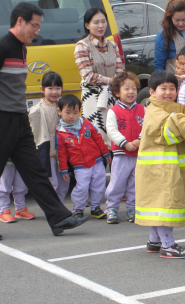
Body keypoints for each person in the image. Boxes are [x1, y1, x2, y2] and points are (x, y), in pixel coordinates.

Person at [0, 2, 89, 238]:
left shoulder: (22, 49)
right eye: (34, 26)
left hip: (19, 120)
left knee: (36, 171)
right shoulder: (3, 47)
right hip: (3, 120)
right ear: (20, 21)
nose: (37, 31)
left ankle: (59, 218)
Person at [134, 71, 185, 258]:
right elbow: (174, 128)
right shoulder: (157, 112)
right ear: (152, 91)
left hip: (156, 169)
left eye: (172, 88)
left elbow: (179, 128)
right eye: (163, 88)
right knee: (164, 205)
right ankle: (167, 245)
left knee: (156, 204)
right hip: (160, 170)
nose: (168, 92)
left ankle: (155, 240)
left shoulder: (164, 109)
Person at [74, 7, 124, 147]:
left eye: (103, 21)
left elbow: (120, 72)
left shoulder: (113, 45)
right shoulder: (82, 46)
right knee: (95, 139)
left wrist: (116, 82)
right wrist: (112, 81)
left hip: (113, 95)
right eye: (96, 22)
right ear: (87, 25)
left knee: (116, 136)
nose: (101, 26)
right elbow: (88, 76)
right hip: (92, 98)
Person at [56, 95, 111, 218]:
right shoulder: (60, 133)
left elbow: (97, 138)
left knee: (99, 184)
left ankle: (96, 207)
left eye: (75, 113)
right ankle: (78, 208)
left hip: (96, 161)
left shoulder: (85, 123)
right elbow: (62, 154)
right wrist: (63, 169)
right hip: (80, 165)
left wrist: (105, 152)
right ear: (59, 112)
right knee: (82, 186)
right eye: (68, 112)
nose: (71, 116)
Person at [105, 72, 145, 224]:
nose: (131, 92)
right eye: (126, 89)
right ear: (117, 92)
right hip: (121, 154)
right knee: (117, 183)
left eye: (134, 88)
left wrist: (140, 140)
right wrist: (125, 143)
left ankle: (132, 208)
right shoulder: (113, 111)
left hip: (138, 153)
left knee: (136, 184)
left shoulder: (143, 109)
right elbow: (111, 130)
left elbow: (146, 127)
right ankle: (112, 208)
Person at [29, 71, 70, 203]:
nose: (54, 92)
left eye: (58, 88)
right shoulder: (37, 109)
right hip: (48, 153)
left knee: (64, 183)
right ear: (42, 89)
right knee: (52, 183)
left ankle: (60, 206)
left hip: (63, 152)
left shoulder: (63, 106)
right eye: (50, 88)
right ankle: (54, 209)